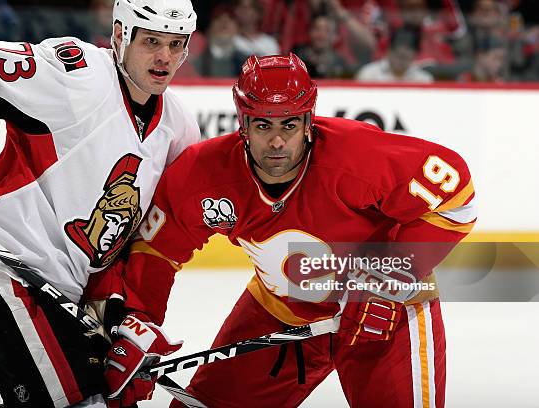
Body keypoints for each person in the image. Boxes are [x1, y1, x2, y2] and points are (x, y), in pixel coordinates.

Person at [85, 53, 477, 407]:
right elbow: (158, 252)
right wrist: (137, 328)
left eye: (289, 124)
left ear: (308, 122)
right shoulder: (202, 174)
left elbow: (457, 195)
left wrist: (387, 278)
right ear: (243, 124)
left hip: (386, 314)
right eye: (262, 125)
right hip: (280, 308)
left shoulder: (356, 158)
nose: (276, 141)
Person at [0, 0, 200, 406]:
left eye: (177, 44)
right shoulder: (77, 75)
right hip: (2, 275)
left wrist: (122, 315)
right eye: (152, 41)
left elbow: (140, 237)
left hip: (67, 300)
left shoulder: (179, 128)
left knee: (107, 399)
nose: (165, 57)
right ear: (122, 35)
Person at [356, 26, 434, 82]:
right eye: (399, 56)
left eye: (405, 57)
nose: (401, 61)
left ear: (414, 56)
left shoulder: (423, 79)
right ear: (389, 51)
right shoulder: (368, 74)